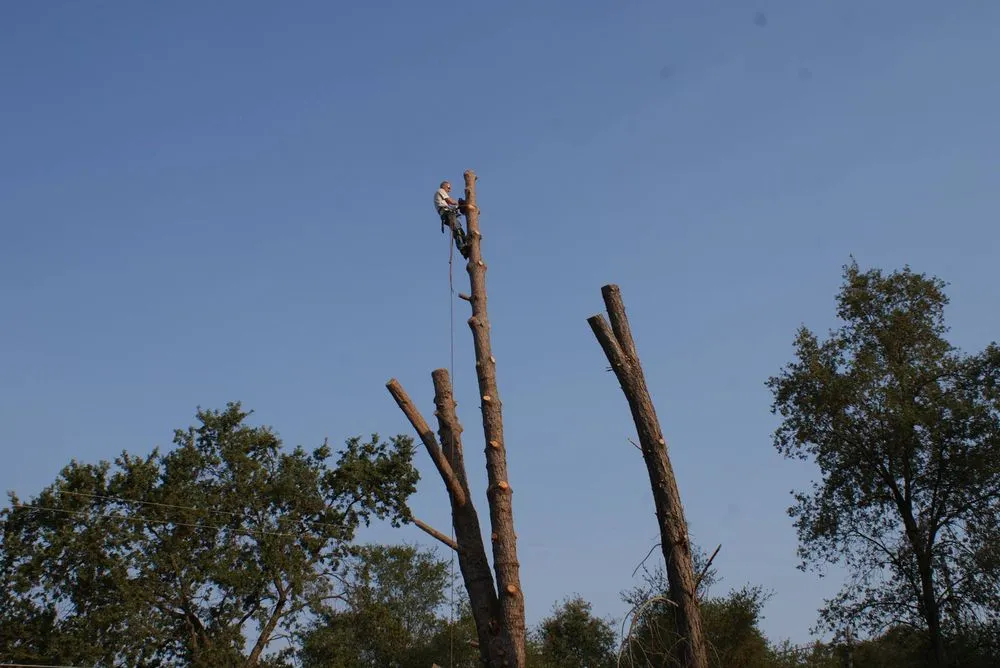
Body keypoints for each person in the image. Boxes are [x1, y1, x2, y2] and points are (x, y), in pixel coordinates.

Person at [434, 181, 470, 258]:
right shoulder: (440, 190)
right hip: (447, 213)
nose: (449, 190)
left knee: (460, 230)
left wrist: (458, 206)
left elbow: (450, 205)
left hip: (448, 213)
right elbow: (449, 201)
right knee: (457, 229)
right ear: (443, 186)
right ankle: (462, 248)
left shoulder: (441, 197)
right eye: (448, 187)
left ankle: (466, 247)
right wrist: (460, 204)